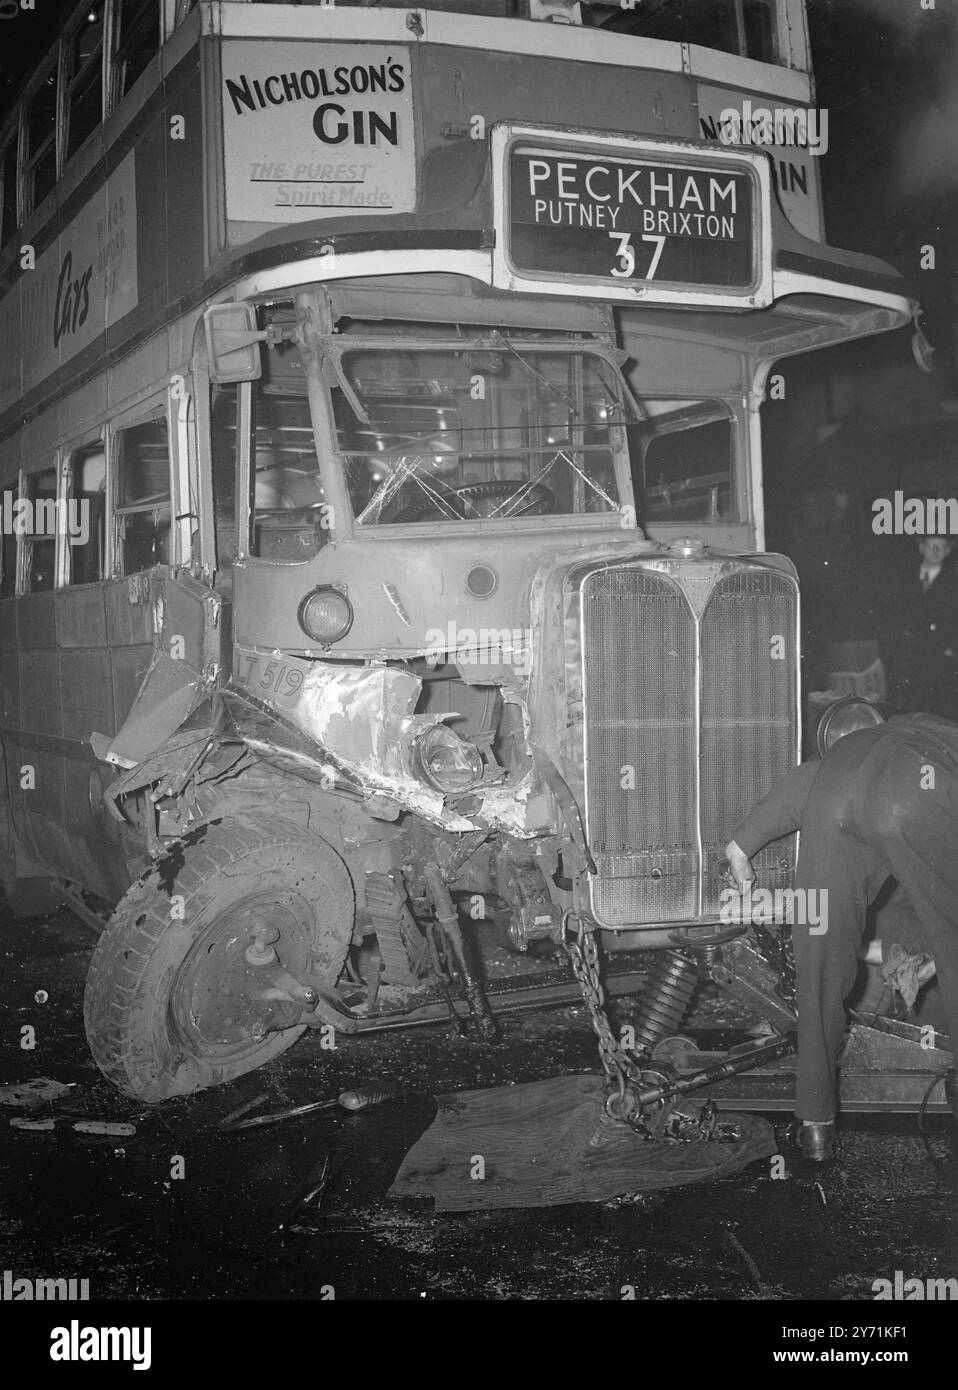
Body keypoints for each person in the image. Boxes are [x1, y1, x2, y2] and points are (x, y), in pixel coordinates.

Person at [724, 713, 958, 1161]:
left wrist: (740, 848)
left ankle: (815, 1125)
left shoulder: (849, 749)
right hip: (918, 793)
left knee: (819, 963)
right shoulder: (937, 741)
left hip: (838, 791)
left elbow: (792, 794)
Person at [881, 533, 958, 718]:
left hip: (939, 661)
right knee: (906, 713)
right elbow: (890, 616)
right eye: (931, 545)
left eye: (941, 546)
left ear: (948, 551)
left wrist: (951, 648)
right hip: (906, 659)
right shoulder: (903, 578)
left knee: (938, 714)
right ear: (921, 547)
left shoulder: (953, 582)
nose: (936, 551)